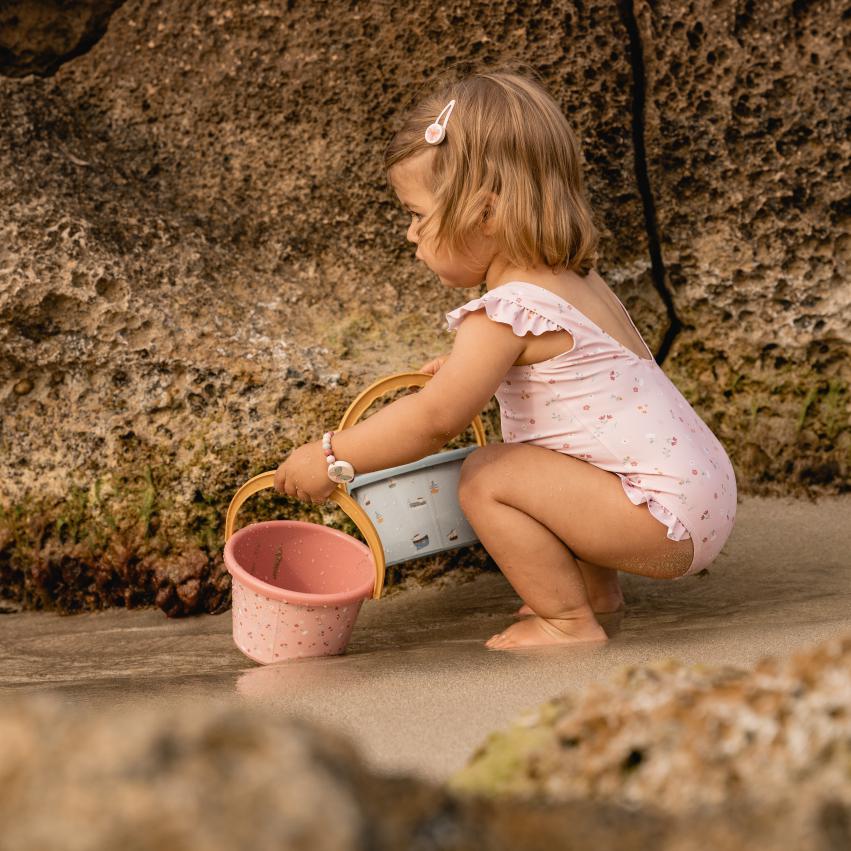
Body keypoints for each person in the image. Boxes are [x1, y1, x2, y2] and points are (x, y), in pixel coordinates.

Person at [273, 68, 737, 650]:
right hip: (697, 492)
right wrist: (478, 371)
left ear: (486, 213)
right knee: (555, 460)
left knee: (488, 475)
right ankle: (595, 595)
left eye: (417, 215)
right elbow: (585, 391)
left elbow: (434, 419)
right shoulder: (576, 281)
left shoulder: (504, 312)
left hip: (660, 517)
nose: (411, 235)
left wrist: (333, 456)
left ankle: (567, 622)